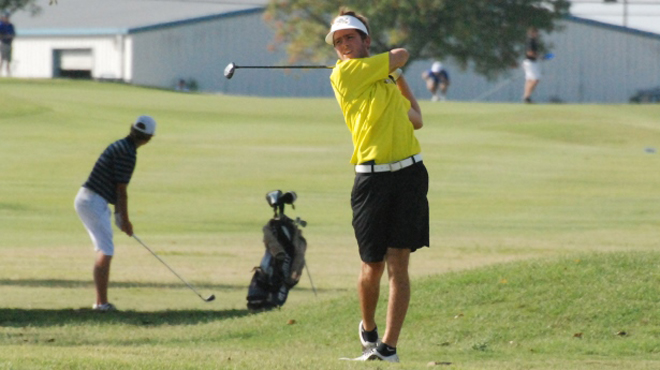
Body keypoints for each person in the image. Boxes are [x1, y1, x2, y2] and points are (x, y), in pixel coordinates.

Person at [326, 8, 429, 363]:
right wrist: (394, 66)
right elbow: (400, 54)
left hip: (410, 175)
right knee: (372, 266)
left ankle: (388, 348)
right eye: (338, 42)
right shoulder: (345, 75)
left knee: (399, 263)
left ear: (365, 41)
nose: (344, 46)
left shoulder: (383, 82)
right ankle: (368, 328)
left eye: (350, 38)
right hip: (371, 179)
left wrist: (396, 78)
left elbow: (416, 118)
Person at [74, 116, 156, 311]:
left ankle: (101, 302)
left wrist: (120, 218)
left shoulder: (121, 145)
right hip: (93, 201)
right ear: (149, 138)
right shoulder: (128, 153)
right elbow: (121, 190)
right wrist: (125, 220)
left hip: (88, 199)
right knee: (106, 250)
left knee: (104, 248)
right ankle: (101, 304)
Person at [522, 27, 541, 103]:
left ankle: (527, 97)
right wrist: (539, 57)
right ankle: (526, 97)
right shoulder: (531, 41)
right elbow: (529, 53)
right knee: (535, 79)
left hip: (529, 62)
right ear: (532, 33)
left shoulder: (532, 41)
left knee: (529, 80)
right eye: (536, 33)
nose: (537, 34)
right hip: (530, 62)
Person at [0, 12, 15, 77]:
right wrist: (5, 36)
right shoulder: (1, 25)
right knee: (3, 58)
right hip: (4, 43)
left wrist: (10, 36)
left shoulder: (10, 25)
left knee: (8, 59)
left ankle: (8, 73)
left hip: (9, 43)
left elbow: (13, 34)